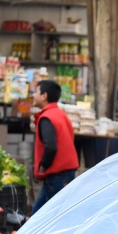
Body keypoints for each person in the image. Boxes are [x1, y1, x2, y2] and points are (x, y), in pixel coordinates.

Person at [31, 80, 79, 215]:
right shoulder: (61, 115)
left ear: (44, 96)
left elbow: (51, 147)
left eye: (36, 92)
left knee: (42, 218)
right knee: (44, 216)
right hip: (64, 174)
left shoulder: (47, 117)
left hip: (57, 176)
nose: (33, 95)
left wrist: (43, 166)